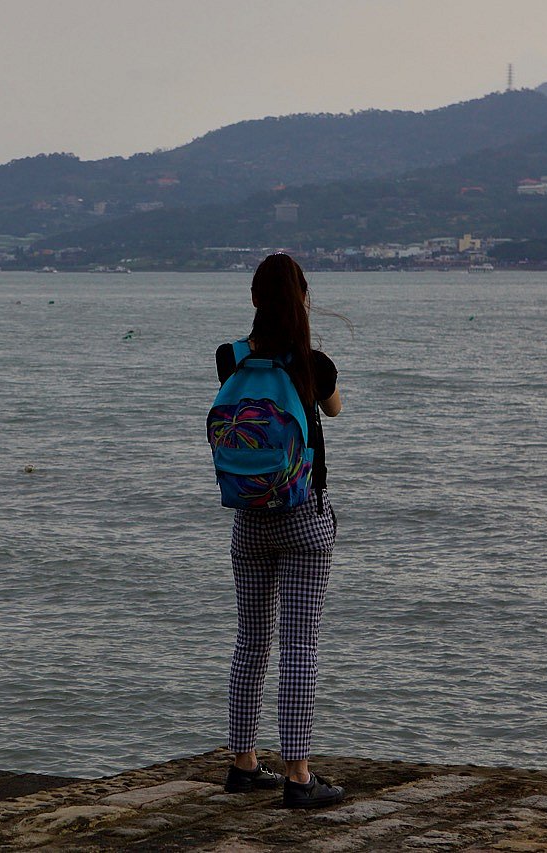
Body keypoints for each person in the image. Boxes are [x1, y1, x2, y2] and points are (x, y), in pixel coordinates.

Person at [216, 253, 345, 809]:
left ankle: (244, 763)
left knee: (250, 643)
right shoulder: (312, 364)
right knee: (299, 647)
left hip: (249, 520)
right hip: (302, 518)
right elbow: (334, 411)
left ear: (253, 299)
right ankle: (298, 775)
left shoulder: (230, 358)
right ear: (302, 299)